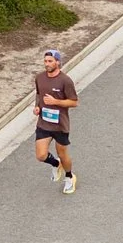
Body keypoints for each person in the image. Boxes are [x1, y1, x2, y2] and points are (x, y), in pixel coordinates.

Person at [33, 47, 79, 193]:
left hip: (60, 125)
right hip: (44, 123)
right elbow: (39, 94)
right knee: (40, 155)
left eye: (50, 61)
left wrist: (56, 102)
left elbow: (74, 102)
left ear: (57, 62)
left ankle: (69, 177)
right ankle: (55, 164)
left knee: (62, 154)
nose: (47, 64)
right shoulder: (39, 78)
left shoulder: (65, 81)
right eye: (45, 61)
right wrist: (37, 107)